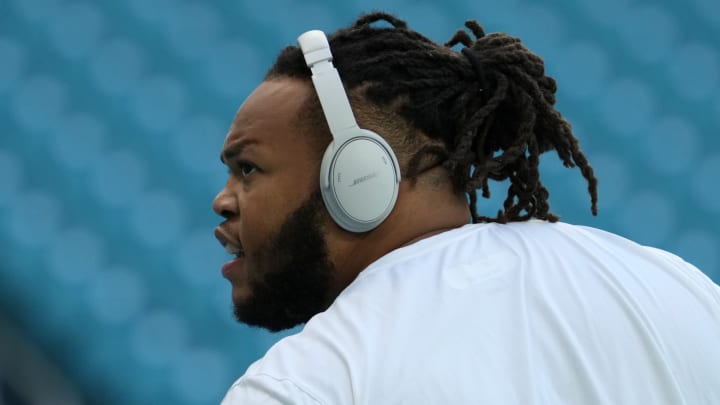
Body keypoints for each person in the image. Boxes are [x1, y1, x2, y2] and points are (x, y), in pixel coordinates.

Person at [212, 12, 720, 404]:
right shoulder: (674, 284)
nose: (222, 200)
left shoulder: (307, 384)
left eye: (248, 169)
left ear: (356, 174)